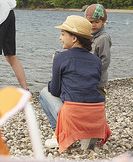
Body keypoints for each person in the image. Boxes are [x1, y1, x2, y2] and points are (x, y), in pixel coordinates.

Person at [39, 15, 107, 149]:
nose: (60, 38)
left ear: (74, 38)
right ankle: (87, 134)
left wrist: (55, 64)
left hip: (74, 114)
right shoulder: (96, 61)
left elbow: (55, 90)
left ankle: (59, 135)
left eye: (63, 34)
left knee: (43, 93)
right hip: (96, 114)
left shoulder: (60, 58)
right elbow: (89, 86)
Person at [85, 3, 112, 98]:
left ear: (103, 22)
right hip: (87, 77)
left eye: (97, 22)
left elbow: (105, 60)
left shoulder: (103, 38)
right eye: (90, 22)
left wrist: (93, 73)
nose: (93, 25)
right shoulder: (89, 35)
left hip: (97, 79)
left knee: (98, 100)